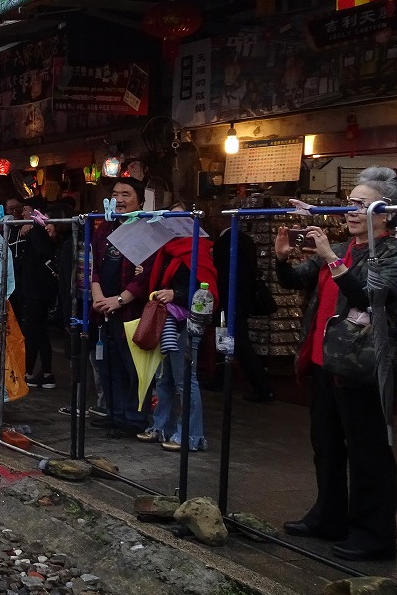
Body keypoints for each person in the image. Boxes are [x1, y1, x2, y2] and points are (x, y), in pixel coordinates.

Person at [276, 167, 397, 562]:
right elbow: (295, 281)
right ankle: (328, 515)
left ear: (385, 214)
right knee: (327, 445)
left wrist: (332, 259)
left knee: (368, 452)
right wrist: (281, 259)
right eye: (350, 203)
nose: (351, 211)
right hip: (326, 361)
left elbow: (370, 297)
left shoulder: (393, 252)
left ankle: (374, 533)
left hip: (363, 365)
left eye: (362, 205)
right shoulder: (343, 247)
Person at [136, 208, 218, 451]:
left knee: (184, 380)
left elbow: (207, 290)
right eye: (170, 217)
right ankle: (161, 426)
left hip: (186, 322)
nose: (173, 222)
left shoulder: (198, 251)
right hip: (167, 321)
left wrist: (177, 294)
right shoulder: (166, 250)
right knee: (165, 379)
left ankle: (190, 435)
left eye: (180, 217)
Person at [88, 177, 149, 436]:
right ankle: (114, 414)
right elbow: (93, 265)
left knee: (132, 367)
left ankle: (133, 420)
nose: (119, 200)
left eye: (126, 194)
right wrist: (97, 295)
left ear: (140, 201)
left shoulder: (146, 228)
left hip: (130, 312)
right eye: (115, 194)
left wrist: (120, 300)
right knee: (107, 363)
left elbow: (145, 275)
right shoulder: (105, 227)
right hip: (102, 309)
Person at [209, 214, 273, 401]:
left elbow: (221, 274)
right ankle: (222, 378)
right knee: (232, 340)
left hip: (229, 299)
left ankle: (261, 387)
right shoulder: (246, 240)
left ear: (222, 220)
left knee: (237, 342)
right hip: (242, 299)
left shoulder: (224, 242)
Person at [16, 200, 58, 389]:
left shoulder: (37, 231)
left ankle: (29, 372)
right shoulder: (35, 230)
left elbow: (44, 256)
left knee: (32, 330)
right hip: (40, 288)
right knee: (40, 331)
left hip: (36, 289)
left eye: (26, 209)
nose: (22, 213)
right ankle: (45, 373)